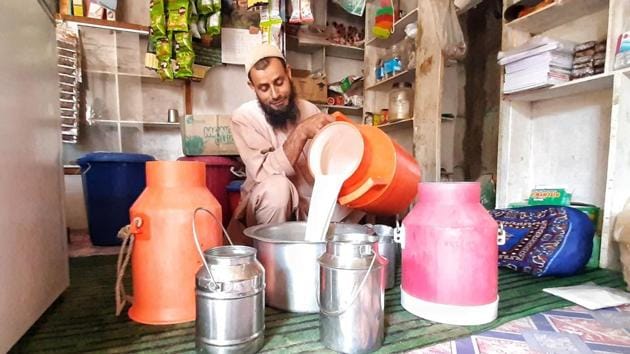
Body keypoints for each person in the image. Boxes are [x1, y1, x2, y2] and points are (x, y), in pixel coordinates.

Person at [228, 44, 360, 241]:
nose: (275, 94)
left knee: (357, 199)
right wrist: (300, 133)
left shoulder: (310, 111)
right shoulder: (244, 118)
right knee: (278, 189)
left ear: (288, 73)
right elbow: (264, 173)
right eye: (264, 88)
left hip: (308, 205)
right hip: (269, 210)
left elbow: (327, 165)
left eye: (279, 82)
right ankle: (270, 262)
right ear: (252, 87)